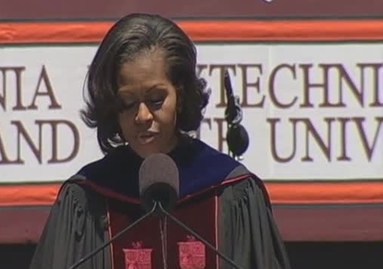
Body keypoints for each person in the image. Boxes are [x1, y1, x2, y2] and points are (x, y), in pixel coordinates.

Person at [29, 13, 292, 269]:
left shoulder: (230, 191)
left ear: (181, 94)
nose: (142, 116)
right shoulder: (86, 201)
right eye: (127, 103)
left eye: (156, 100)